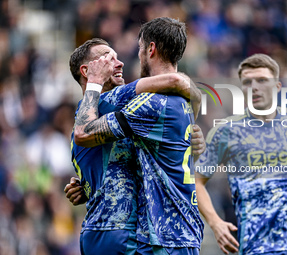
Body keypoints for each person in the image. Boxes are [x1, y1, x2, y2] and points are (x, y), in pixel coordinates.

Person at [72, 17, 204, 254]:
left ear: (151, 49)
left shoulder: (147, 104)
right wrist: (88, 184)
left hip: (162, 237)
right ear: (87, 70)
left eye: (140, 48)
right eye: (107, 59)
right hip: (147, 234)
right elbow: (88, 138)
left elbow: (86, 132)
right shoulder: (173, 101)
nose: (121, 62)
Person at [195, 53, 287, 255]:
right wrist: (215, 222)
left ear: (277, 87)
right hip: (258, 247)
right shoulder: (226, 132)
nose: (254, 87)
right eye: (247, 82)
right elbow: (197, 181)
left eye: (262, 80)